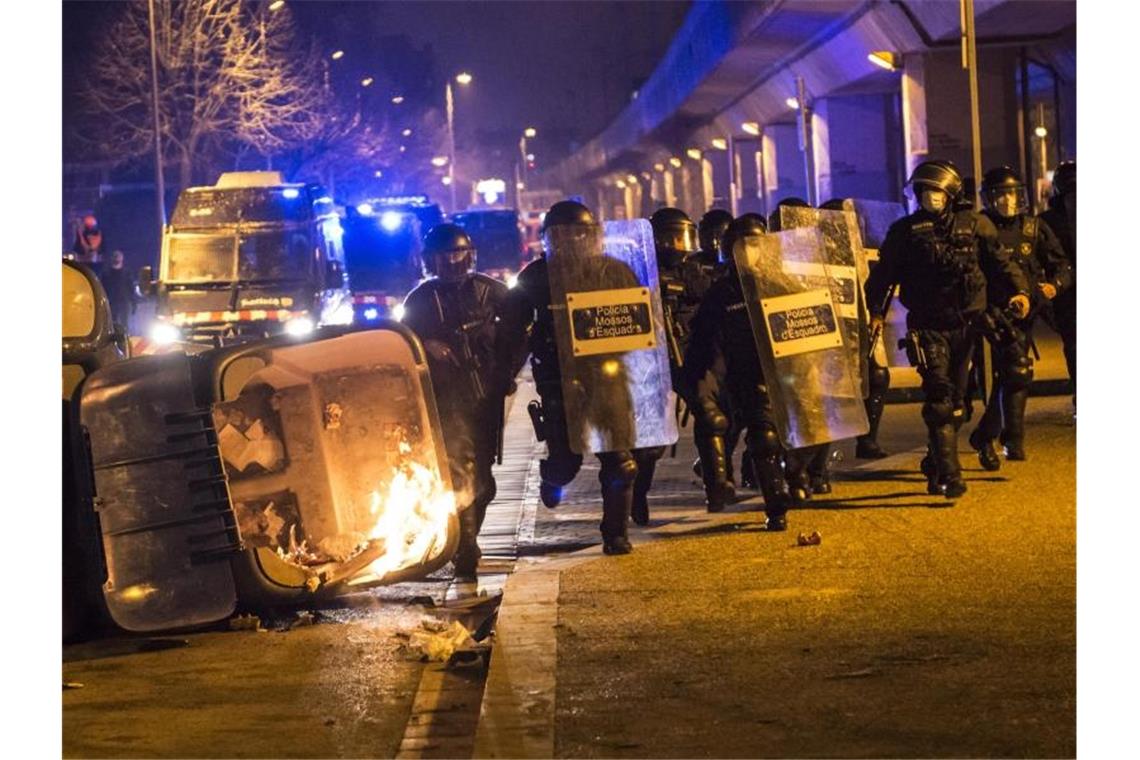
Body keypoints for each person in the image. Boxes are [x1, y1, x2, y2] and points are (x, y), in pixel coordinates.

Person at [501, 201, 664, 554]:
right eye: (564, 235)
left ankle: (615, 535)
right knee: (565, 462)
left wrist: (653, 376)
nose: (573, 242)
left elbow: (643, 324)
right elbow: (513, 335)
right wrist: (504, 375)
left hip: (609, 378)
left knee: (621, 463)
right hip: (559, 382)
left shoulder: (614, 271)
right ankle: (552, 477)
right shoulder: (534, 279)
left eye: (580, 234)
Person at [865, 160, 1030, 499]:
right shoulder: (905, 232)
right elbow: (883, 278)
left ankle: (938, 456)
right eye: (925, 191)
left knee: (959, 403)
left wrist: (1020, 291)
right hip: (928, 325)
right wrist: (876, 314)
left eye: (936, 191)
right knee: (940, 399)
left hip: (967, 325)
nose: (931, 197)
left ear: (951, 193)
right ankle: (950, 476)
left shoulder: (975, 226)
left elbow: (1000, 263)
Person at [400, 224, 511, 581]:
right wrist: (426, 347)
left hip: (487, 394)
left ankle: (469, 537)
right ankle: (465, 548)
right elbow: (404, 343)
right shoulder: (419, 299)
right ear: (430, 259)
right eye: (444, 255)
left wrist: (506, 369)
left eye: (456, 253)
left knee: (485, 479)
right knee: (460, 470)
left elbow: (520, 331)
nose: (451, 260)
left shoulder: (492, 292)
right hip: (447, 397)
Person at [685, 213, 792, 530]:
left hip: (769, 376)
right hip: (733, 377)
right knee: (719, 426)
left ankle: (777, 507)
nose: (747, 253)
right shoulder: (721, 293)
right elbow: (703, 341)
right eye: (740, 246)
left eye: (754, 245)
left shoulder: (779, 285)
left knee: (765, 438)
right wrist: (696, 379)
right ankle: (717, 485)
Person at [968, 167, 1072, 468]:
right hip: (987, 312)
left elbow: (1061, 265)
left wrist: (1054, 286)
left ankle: (1002, 437)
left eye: (1012, 194)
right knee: (1006, 374)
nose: (1008, 201)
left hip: (1024, 314)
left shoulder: (1033, 228)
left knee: (1017, 374)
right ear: (990, 198)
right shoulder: (981, 227)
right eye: (1001, 195)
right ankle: (1000, 437)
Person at [1038, 161, 1076, 408]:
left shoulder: (1046, 220)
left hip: (1065, 291)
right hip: (1066, 291)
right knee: (1074, 345)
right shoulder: (1046, 221)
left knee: (1074, 346)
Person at [99, 251, 136, 330]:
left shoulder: (127, 273)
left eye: (118, 256)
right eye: (115, 256)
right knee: (111, 325)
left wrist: (134, 303)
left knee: (124, 325)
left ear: (122, 258)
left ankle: (124, 339)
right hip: (111, 304)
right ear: (112, 258)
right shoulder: (106, 274)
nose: (116, 258)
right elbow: (101, 290)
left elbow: (131, 289)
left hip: (124, 304)